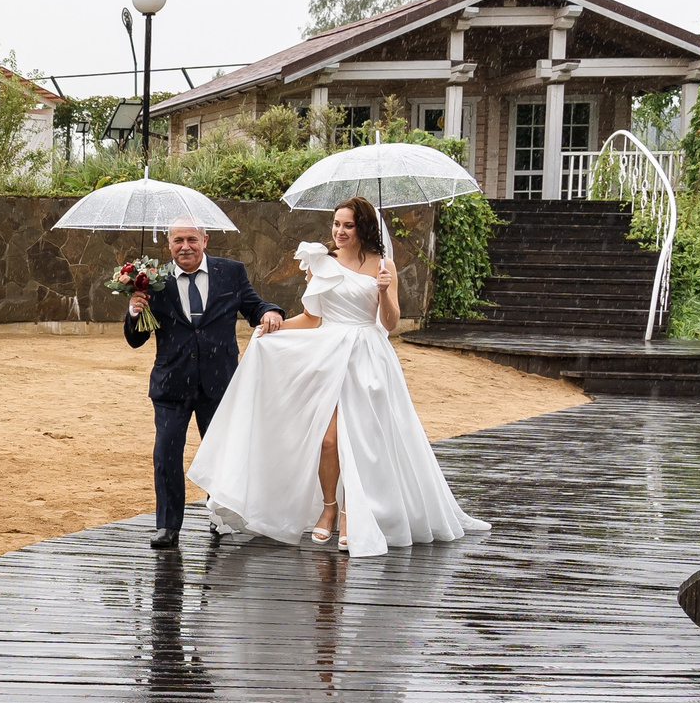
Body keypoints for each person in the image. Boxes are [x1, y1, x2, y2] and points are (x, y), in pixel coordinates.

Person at [190, 195, 490, 558]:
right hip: (326, 355)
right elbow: (312, 318)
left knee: (362, 441)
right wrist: (276, 328)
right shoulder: (322, 262)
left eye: (348, 225)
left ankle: (351, 513)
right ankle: (328, 506)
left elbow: (390, 324)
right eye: (336, 224)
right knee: (327, 440)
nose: (340, 231)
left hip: (367, 357)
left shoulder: (384, 266)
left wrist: (384, 292)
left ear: (363, 228)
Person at [123, 221, 285, 551]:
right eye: (178, 240)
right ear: (169, 244)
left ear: (205, 240)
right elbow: (136, 340)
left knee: (223, 454)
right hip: (171, 384)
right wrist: (134, 312)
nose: (185, 246)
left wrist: (270, 312)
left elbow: (253, 306)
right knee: (166, 453)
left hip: (219, 382)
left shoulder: (231, 272)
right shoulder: (152, 280)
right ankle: (167, 526)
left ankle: (220, 515)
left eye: (192, 239)